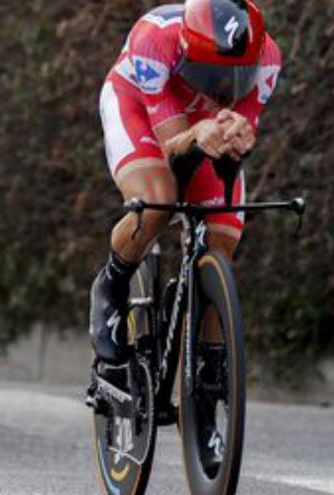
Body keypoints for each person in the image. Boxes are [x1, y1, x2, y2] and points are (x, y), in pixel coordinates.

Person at [89, 0, 281, 386]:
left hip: (198, 120)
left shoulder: (269, 59)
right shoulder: (153, 40)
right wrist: (196, 133)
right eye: (210, 73)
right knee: (160, 198)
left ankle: (207, 376)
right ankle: (112, 282)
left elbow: (234, 147)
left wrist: (241, 140)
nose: (224, 88)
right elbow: (174, 149)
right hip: (141, 107)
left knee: (223, 237)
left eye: (236, 75)